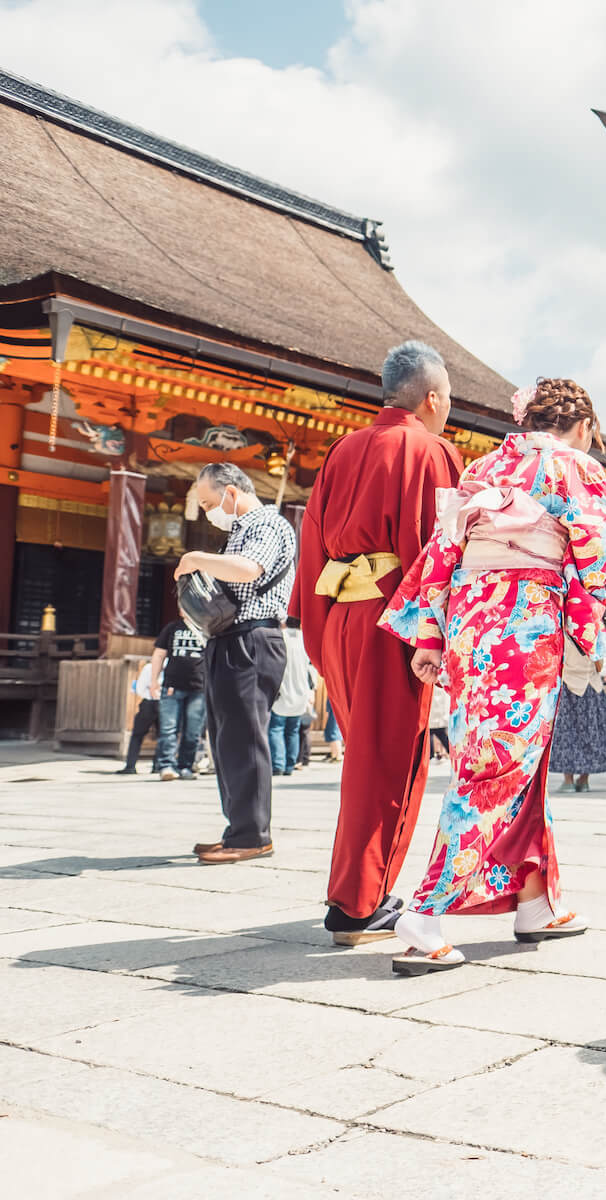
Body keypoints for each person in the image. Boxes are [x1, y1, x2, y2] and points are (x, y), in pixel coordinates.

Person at [379, 377, 606, 973]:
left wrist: (433, 634)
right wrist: (589, 620)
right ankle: (425, 911)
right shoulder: (574, 465)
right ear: (583, 426)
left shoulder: (484, 467)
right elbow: (602, 547)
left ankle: (534, 902)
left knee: (516, 761)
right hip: (522, 624)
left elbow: (443, 550)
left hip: (470, 619)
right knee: (494, 766)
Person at [293, 340, 464, 945]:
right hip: (397, 618)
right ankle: (358, 904)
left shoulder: (342, 449)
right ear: (433, 398)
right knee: (390, 763)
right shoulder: (430, 449)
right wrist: (438, 634)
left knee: (366, 761)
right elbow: (436, 550)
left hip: (340, 614)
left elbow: (311, 540)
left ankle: (358, 892)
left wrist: (316, 629)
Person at [176, 461, 296, 864]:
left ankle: (252, 836)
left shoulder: (265, 523)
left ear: (230, 491)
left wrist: (196, 557)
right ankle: (238, 829)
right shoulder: (244, 529)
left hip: (252, 638)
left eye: (210, 502)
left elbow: (249, 569)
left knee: (244, 737)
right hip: (231, 639)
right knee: (227, 738)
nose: (210, 511)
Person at [549, 631, 606, 790]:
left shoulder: (563, 634)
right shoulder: (594, 634)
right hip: (591, 688)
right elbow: (599, 666)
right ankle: (584, 780)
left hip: (569, 687)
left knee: (567, 734)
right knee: (591, 733)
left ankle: (568, 781)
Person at [149, 618, 206, 781]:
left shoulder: (206, 626)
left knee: (193, 731)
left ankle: (185, 766)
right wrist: (154, 681)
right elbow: (159, 654)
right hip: (172, 685)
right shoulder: (172, 627)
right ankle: (166, 765)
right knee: (168, 728)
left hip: (199, 687)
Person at [268, 617, 315, 776]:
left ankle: (278, 764)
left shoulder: (280, 637)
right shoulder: (304, 640)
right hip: (301, 692)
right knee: (293, 731)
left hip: (282, 692)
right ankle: (290, 764)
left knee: (276, 729)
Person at [116, 661, 159, 775]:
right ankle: (158, 766)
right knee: (164, 736)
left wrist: (149, 694)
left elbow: (140, 687)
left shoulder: (149, 667)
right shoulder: (171, 666)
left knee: (137, 735)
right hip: (166, 704)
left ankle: (130, 766)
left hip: (148, 702)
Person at [429, 685, 451, 759]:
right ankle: (431, 754)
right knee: (433, 735)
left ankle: (431, 755)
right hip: (436, 719)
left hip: (437, 719)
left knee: (438, 734)